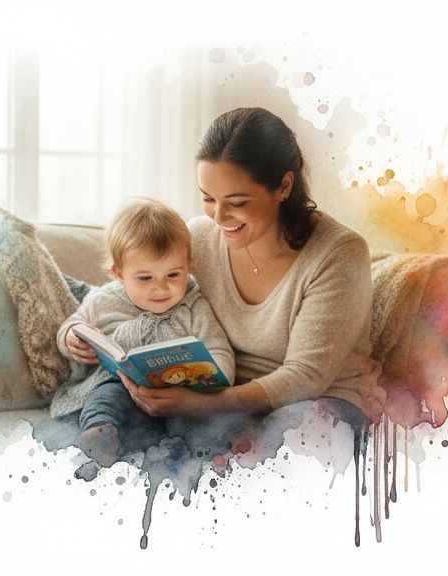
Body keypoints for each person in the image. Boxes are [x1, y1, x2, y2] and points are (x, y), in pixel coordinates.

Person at [110, 107, 384, 441]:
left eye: (237, 202)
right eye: (208, 198)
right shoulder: (199, 238)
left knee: (276, 449)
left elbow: (305, 376)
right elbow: (135, 288)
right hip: (224, 404)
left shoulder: (339, 253)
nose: (219, 216)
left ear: (283, 186)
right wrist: (81, 330)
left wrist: (202, 405)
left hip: (320, 404)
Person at [53, 198, 235, 466]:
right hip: (120, 387)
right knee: (106, 398)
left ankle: (198, 453)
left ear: (188, 265)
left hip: (179, 398)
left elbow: (219, 348)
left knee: (196, 422)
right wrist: (70, 337)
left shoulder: (194, 305)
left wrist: (213, 379)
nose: (161, 288)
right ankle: (99, 436)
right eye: (146, 278)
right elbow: (75, 324)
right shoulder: (104, 301)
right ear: (119, 273)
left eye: (173, 275)